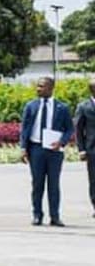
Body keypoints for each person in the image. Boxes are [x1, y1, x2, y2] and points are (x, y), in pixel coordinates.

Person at [19, 77, 74, 226]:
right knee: (37, 184)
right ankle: (37, 215)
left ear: (51, 88)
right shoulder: (31, 106)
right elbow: (24, 128)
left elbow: (70, 129)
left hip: (54, 150)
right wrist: (23, 148)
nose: (38, 89)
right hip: (36, 149)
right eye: (38, 86)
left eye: (42, 86)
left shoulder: (62, 108)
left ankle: (55, 216)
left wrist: (61, 142)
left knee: (53, 184)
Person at [76, 78, 95, 218]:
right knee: (94, 180)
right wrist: (81, 150)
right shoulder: (83, 107)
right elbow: (78, 130)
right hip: (92, 149)